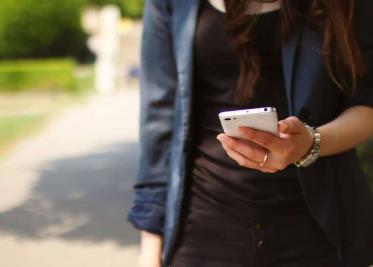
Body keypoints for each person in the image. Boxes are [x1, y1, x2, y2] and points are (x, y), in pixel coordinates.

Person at [127, 0, 373, 266]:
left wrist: (311, 143)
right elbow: (159, 125)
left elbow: (367, 100)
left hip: (319, 231)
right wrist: (150, 249)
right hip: (200, 230)